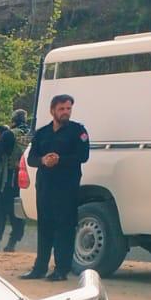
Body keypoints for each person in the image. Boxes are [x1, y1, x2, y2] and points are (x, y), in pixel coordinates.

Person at [22, 95, 90, 282]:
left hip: (66, 187)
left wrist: (60, 160)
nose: (66, 112)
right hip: (45, 187)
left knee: (64, 228)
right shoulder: (43, 133)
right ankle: (39, 267)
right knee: (45, 227)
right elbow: (31, 158)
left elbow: (83, 156)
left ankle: (61, 269)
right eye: (62, 109)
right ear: (53, 110)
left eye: (68, 109)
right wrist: (43, 160)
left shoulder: (78, 131)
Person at [0, 118, 27, 252]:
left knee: (0, 211)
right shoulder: (32, 133)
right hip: (25, 180)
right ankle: (12, 243)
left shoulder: (9, 134)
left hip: (8, 179)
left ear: (13, 121)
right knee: (19, 213)